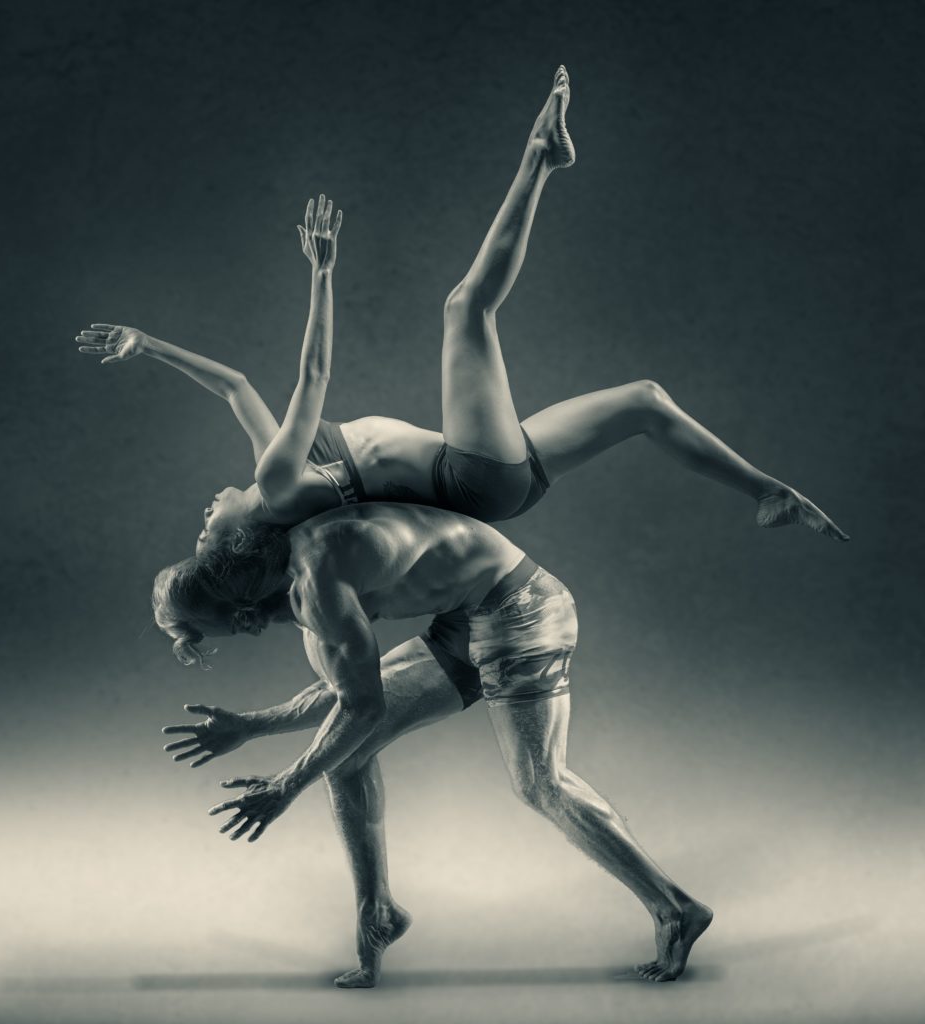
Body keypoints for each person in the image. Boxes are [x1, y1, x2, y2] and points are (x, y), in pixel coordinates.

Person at [78, 66, 846, 663]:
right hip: (473, 476)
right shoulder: (278, 483)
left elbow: (236, 388)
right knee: (464, 309)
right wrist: (321, 275)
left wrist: (147, 347)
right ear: (237, 537)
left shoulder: (275, 479)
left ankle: (768, 493)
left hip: (490, 478)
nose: (204, 511)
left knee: (644, 399)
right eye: (205, 527)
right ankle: (541, 158)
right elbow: (309, 376)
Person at [156, 500, 713, 988]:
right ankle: (378, 912)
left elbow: (361, 706)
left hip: (523, 607)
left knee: (540, 784)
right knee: (344, 760)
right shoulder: (283, 563)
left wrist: (284, 785)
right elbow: (344, 693)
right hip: (464, 619)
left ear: (246, 610)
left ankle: (675, 908)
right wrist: (250, 725)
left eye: (231, 629)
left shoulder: (317, 586)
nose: (250, 634)